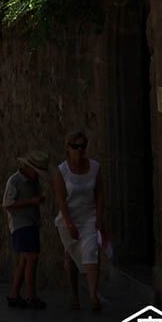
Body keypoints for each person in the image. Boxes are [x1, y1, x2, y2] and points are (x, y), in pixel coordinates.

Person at [54, 131, 106, 311]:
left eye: (82, 146)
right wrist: (69, 223)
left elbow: (99, 193)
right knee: (71, 258)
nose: (79, 150)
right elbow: (61, 198)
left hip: (90, 216)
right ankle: (75, 295)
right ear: (68, 148)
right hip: (70, 218)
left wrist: (99, 217)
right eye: (75, 146)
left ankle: (93, 295)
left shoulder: (94, 168)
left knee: (92, 251)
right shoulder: (62, 170)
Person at [3, 151, 50, 309]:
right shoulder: (15, 181)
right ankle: (32, 296)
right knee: (32, 258)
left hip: (32, 221)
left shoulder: (33, 181)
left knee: (24, 261)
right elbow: (8, 204)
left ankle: (14, 294)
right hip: (20, 223)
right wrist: (32, 202)